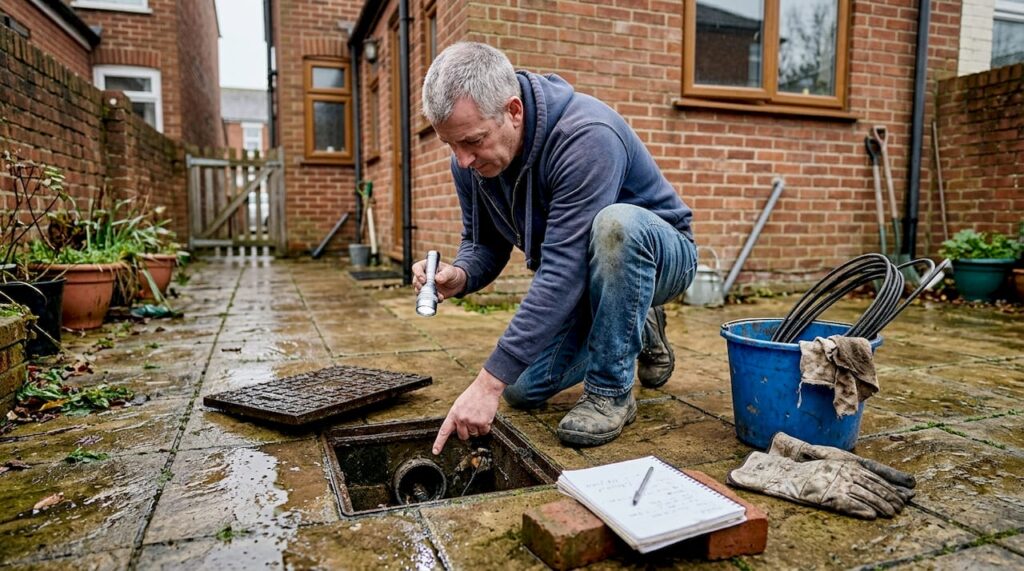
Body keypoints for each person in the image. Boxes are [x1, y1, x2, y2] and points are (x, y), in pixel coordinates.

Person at [415, 42, 696, 454]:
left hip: (661, 255)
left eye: (472, 141)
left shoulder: (585, 136)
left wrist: (486, 384)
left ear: (513, 111)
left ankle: (610, 390)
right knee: (523, 390)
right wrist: (459, 276)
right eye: (451, 145)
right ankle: (636, 319)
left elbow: (562, 271)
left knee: (617, 225)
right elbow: (483, 244)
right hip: (590, 270)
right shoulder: (474, 159)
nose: (462, 160)